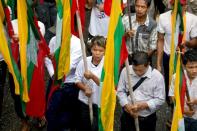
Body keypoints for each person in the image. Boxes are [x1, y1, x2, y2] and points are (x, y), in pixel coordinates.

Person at [157, 0, 197, 103]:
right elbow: (160, 40)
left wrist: (186, 43)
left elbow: (195, 41)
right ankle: (173, 111)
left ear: (186, 6)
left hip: (185, 57)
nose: (179, 8)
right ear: (171, 5)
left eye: (182, 5)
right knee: (170, 83)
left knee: (185, 84)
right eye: (176, 5)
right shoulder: (163, 17)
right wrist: (158, 63)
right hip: (168, 56)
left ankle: (185, 109)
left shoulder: (193, 19)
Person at [117, 51, 165, 131]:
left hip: (147, 119)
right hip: (128, 116)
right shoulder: (126, 71)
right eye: (135, 69)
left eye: (140, 70)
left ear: (148, 64)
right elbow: (120, 91)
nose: (137, 73)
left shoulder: (157, 77)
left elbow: (160, 99)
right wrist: (127, 106)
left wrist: (144, 105)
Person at [45, 35, 82, 131]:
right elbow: (47, 58)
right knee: (50, 112)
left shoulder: (77, 43)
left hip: (69, 84)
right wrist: (53, 75)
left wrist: (55, 57)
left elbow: (69, 66)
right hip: (54, 81)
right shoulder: (53, 39)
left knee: (66, 117)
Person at [75, 36, 105, 131]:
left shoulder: (107, 64)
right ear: (91, 49)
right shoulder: (84, 61)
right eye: (94, 49)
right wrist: (84, 88)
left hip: (100, 104)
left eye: (100, 50)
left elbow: (106, 85)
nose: (97, 53)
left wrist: (92, 76)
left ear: (104, 51)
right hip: (85, 102)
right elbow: (77, 80)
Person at [169, 49, 197, 131]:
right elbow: (171, 95)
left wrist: (195, 102)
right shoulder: (177, 77)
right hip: (181, 116)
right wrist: (183, 110)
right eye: (191, 67)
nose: (194, 70)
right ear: (184, 66)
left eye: (196, 66)